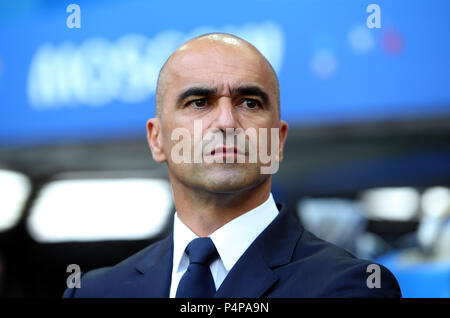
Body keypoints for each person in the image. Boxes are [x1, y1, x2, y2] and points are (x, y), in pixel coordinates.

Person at [63, 33, 401, 298]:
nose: (226, 121)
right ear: (157, 139)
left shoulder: (351, 287)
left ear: (278, 141)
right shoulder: (93, 291)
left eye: (250, 103)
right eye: (199, 102)